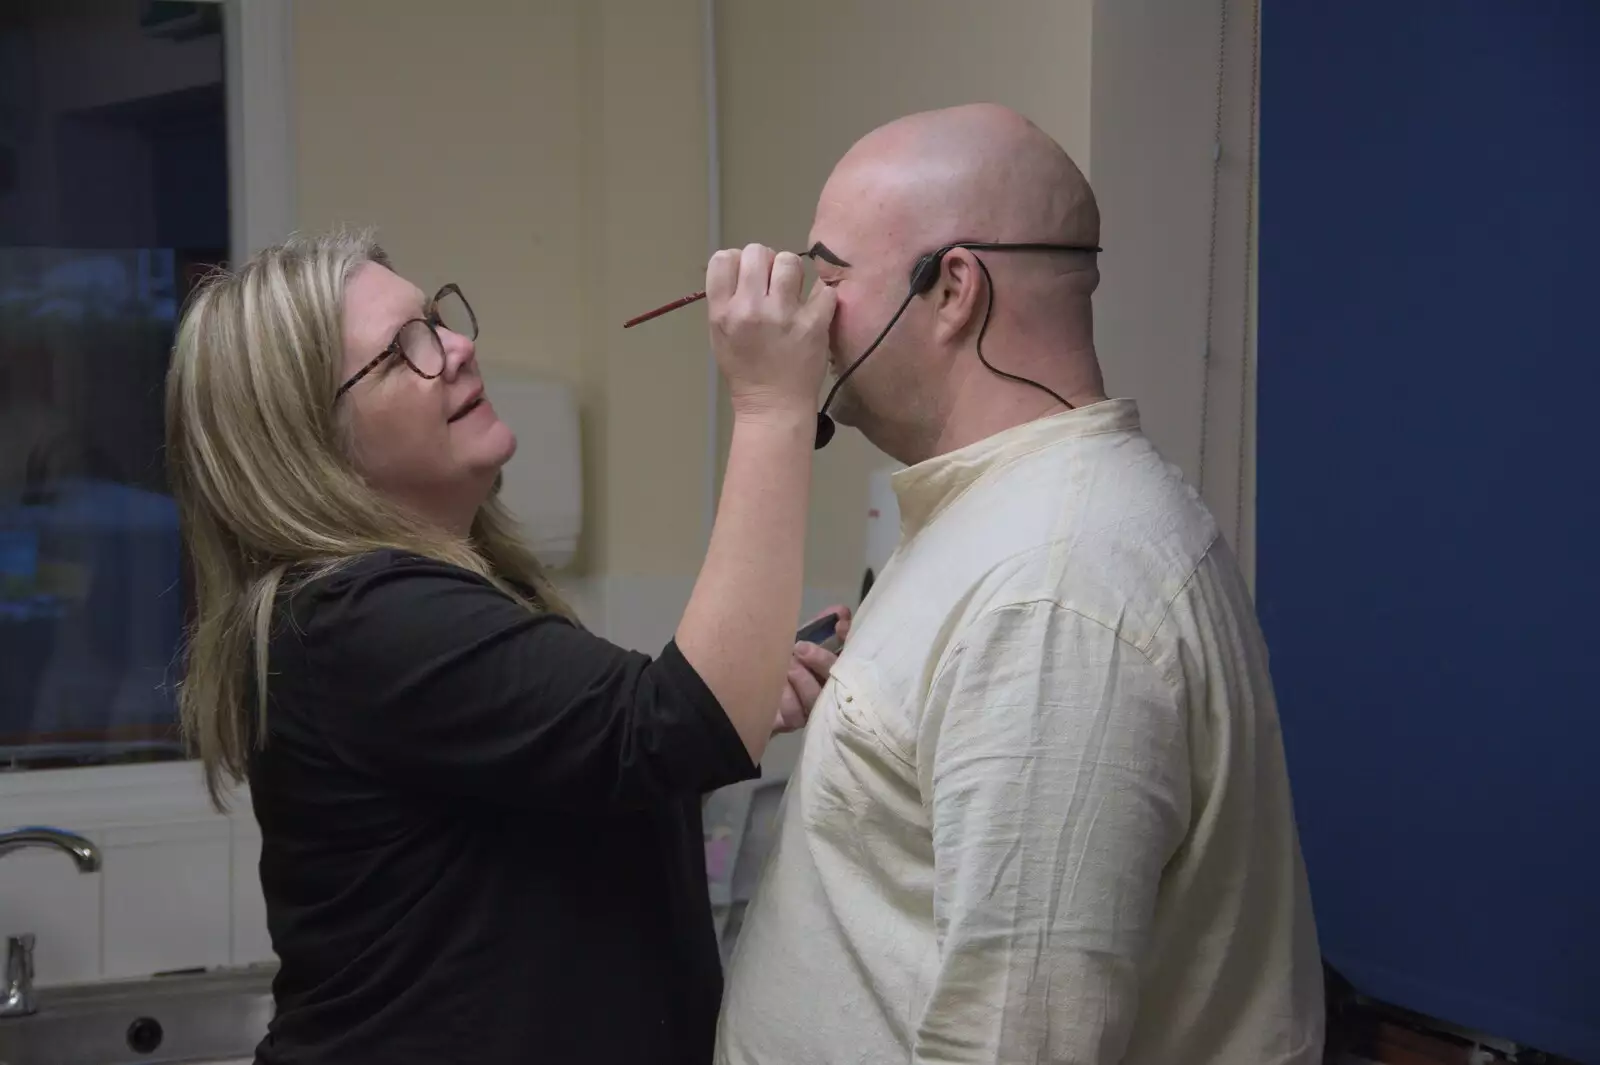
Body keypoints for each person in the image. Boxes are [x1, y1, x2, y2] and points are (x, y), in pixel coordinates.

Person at [716, 104, 1325, 1064]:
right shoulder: (1000, 520)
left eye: (827, 275)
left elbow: (1019, 1041)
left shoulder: (1053, 592)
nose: (811, 316)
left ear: (952, 288)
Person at [163, 228, 847, 1065]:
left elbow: (614, 763)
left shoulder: (440, 598)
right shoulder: (353, 615)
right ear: (312, 442)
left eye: (437, 319)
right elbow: (671, 726)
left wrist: (732, 689)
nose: (457, 348)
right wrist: (775, 405)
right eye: (400, 351)